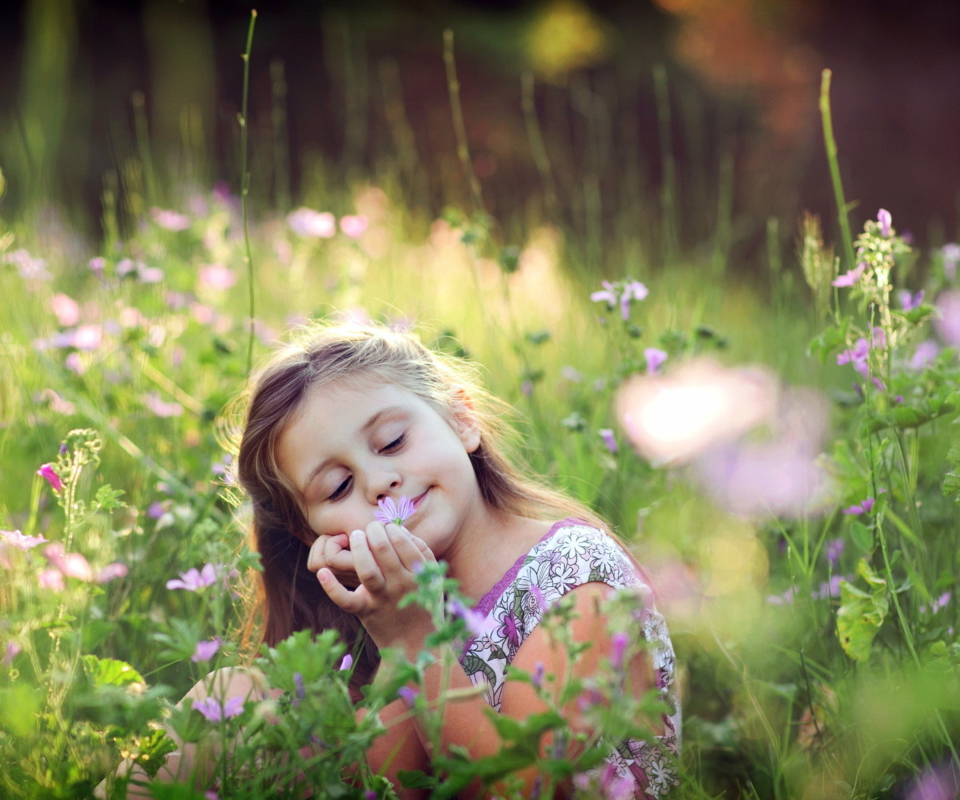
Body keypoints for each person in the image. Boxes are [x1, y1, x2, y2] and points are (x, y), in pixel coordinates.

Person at [109, 322, 680, 799]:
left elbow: (522, 787)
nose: (381, 482)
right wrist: (394, 629)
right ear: (312, 536)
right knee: (236, 695)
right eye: (337, 489)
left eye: (391, 443)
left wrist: (414, 637)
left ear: (461, 419)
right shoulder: (383, 608)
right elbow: (384, 784)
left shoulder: (574, 577)